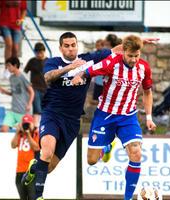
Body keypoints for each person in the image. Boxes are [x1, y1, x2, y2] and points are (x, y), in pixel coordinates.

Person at [21, 32, 123, 200]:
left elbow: (117, 50)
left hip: (72, 121)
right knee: (46, 152)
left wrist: (138, 42)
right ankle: (38, 197)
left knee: (48, 167)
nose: (70, 48)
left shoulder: (89, 59)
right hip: (52, 114)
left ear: (77, 45)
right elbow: (48, 77)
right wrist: (70, 67)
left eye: (73, 45)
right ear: (61, 48)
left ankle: (34, 168)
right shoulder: (53, 62)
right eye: (66, 46)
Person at [71, 35, 156, 200]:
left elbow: (147, 92)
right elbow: (89, 71)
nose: (133, 60)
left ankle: (128, 198)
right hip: (105, 116)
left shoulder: (144, 68)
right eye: (130, 56)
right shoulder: (111, 63)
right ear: (123, 51)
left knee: (136, 153)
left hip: (128, 117)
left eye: (136, 56)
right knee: (91, 160)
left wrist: (149, 117)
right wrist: (78, 76)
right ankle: (106, 148)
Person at [0, 57, 34, 132]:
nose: (7, 68)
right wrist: (4, 92)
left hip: (23, 111)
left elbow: (32, 92)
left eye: (9, 66)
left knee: (25, 133)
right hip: (13, 110)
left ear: (15, 65)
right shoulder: (11, 78)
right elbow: (14, 93)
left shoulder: (23, 76)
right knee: (3, 129)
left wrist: (29, 104)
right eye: (7, 66)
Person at [11, 114, 40, 200]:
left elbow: (36, 148)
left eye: (28, 123)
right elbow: (13, 145)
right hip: (19, 171)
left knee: (32, 197)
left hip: (31, 172)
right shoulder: (20, 135)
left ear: (32, 124)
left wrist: (28, 135)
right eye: (25, 124)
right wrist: (17, 132)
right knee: (22, 197)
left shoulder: (36, 134)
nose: (26, 126)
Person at [23, 42, 48, 127]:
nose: (39, 55)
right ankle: (35, 128)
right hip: (35, 89)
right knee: (37, 110)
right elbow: (25, 72)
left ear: (44, 52)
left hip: (47, 89)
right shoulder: (32, 61)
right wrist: (28, 84)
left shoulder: (49, 62)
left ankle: (44, 127)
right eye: (37, 53)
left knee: (46, 110)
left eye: (41, 53)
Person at [91, 39, 106, 105]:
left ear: (102, 46)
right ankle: (96, 99)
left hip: (103, 73)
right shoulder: (95, 53)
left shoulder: (105, 53)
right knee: (97, 86)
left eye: (98, 45)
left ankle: (101, 100)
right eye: (96, 45)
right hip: (97, 74)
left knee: (102, 86)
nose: (97, 47)